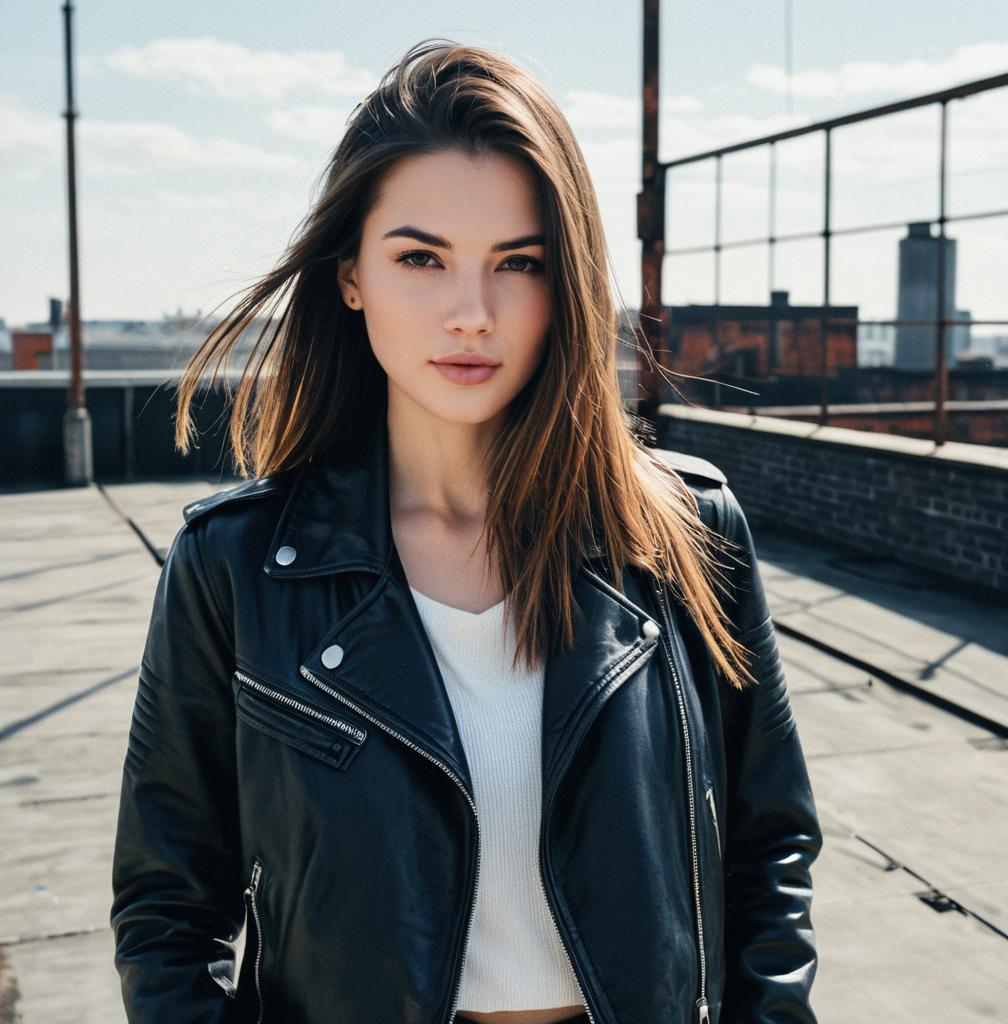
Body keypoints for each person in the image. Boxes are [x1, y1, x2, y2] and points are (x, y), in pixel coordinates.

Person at [109, 38, 823, 1024]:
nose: (470, 314)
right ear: (349, 274)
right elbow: (167, 905)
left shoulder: (687, 538)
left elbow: (769, 849)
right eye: (419, 257)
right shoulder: (235, 569)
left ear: (564, 282)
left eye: (517, 264)